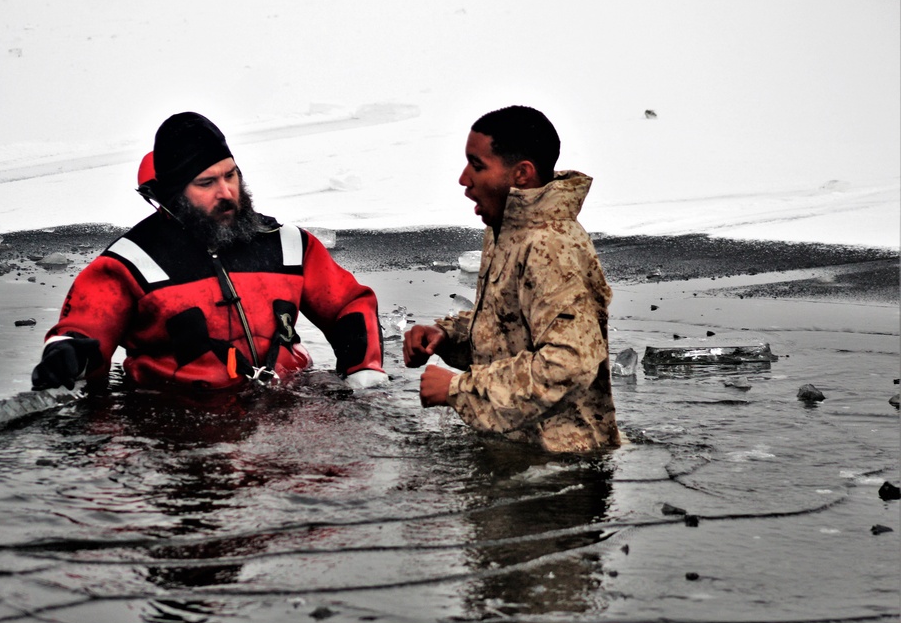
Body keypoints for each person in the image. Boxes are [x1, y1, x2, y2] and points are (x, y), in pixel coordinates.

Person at [31, 112, 388, 392]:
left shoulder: (289, 244)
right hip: (178, 426)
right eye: (206, 183)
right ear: (174, 194)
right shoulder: (130, 263)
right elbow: (84, 329)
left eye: (230, 176)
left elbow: (348, 304)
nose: (226, 192)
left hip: (287, 408)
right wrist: (67, 353)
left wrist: (364, 370)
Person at [403, 105, 619, 453]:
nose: (464, 179)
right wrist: (446, 337)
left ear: (521, 174)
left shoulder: (551, 244)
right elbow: (508, 330)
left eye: (477, 166)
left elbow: (569, 363)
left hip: (561, 468)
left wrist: (459, 390)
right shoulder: (506, 228)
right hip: (516, 450)